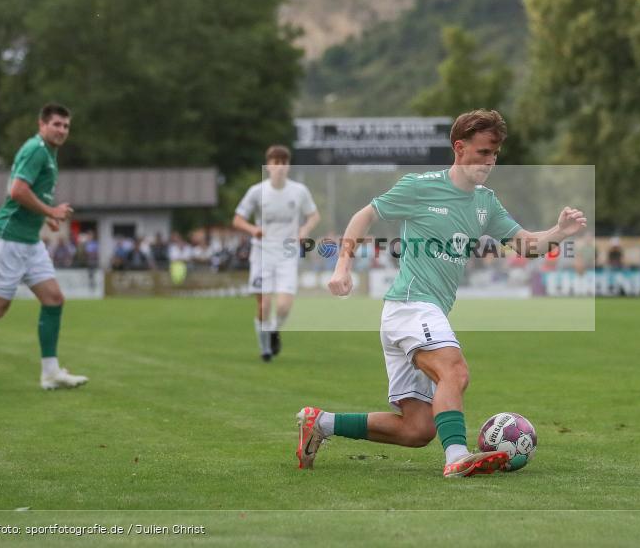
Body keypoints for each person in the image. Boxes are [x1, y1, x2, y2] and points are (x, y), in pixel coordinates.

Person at [298, 109, 587, 478]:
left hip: (416, 315)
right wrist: (342, 267)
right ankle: (456, 457)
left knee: (417, 429)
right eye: (483, 152)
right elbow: (364, 215)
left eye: (495, 154)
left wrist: (559, 232)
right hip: (411, 306)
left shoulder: (485, 202)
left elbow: (526, 244)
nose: (490, 162)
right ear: (459, 148)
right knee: (455, 370)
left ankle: (320, 422)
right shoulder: (420, 186)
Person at [0, 103, 88, 390]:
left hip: (29, 241)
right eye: (56, 124)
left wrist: (45, 215)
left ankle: (51, 373)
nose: (62, 130)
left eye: (66, 126)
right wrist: (51, 211)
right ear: (42, 125)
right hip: (9, 239)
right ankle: (50, 373)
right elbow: (17, 191)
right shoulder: (36, 149)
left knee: (54, 299)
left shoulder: (49, 153)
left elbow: (30, 192)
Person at [233, 145, 320, 362]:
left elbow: (314, 216)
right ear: (268, 166)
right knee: (264, 304)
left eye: (284, 163)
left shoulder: (299, 191)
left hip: (287, 254)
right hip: (261, 253)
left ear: (288, 166)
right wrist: (253, 229)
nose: (280, 167)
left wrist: (304, 230)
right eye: (275, 163)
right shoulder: (256, 191)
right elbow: (237, 219)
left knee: (283, 306)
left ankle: (273, 330)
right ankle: (265, 350)